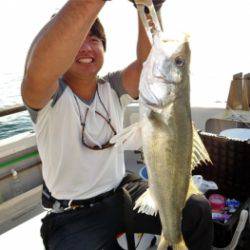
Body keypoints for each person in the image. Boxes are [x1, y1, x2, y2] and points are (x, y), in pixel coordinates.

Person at [21, 0, 213, 249]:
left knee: (197, 209)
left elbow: (152, 65)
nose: (86, 47)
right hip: (73, 215)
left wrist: (148, 7)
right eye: (78, 39)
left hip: (123, 191)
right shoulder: (47, 96)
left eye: (95, 39)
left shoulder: (111, 87)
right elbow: (40, 66)